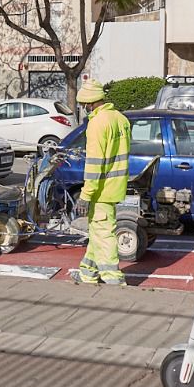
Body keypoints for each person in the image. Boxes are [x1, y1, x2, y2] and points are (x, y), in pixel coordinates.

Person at [72, 78, 131, 286]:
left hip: (101, 190)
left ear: (89, 103)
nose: (83, 109)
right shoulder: (120, 119)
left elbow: (95, 164)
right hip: (115, 186)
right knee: (98, 230)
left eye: (82, 105)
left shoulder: (97, 123)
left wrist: (85, 195)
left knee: (103, 232)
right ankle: (87, 272)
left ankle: (113, 278)